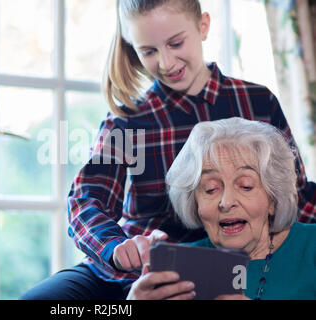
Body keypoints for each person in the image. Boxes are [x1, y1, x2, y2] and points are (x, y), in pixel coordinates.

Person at [20, 0, 315, 300]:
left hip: (216, 269)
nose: (166, 62)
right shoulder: (127, 120)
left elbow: (297, 194)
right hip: (129, 271)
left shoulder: (257, 102)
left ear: (203, 27)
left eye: (176, 43)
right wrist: (116, 249)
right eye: (149, 51)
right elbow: (85, 200)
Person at [127, 117, 316, 300]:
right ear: (194, 203)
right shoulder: (176, 266)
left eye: (245, 186)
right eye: (211, 189)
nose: (226, 202)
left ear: (273, 199)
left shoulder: (311, 245)